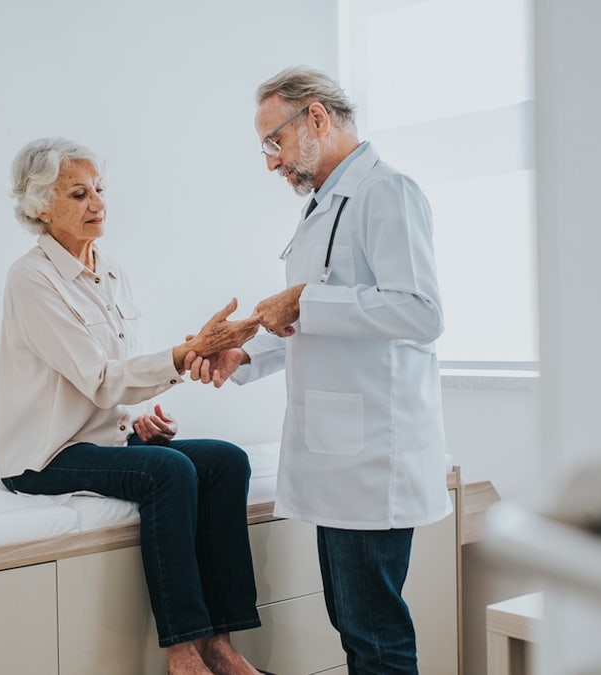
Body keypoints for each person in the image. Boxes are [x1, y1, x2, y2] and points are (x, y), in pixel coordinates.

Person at [187, 67, 451, 674]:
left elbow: (421, 312)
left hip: (371, 461)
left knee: (374, 636)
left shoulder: (388, 192)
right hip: (338, 459)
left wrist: (304, 299)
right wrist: (242, 355)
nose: (271, 162)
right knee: (355, 626)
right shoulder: (323, 207)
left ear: (316, 117)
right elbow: (315, 326)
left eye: (273, 142)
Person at [0, 137, 266, 675]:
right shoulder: (31, 279)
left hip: (106, 437)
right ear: (41, 206)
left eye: (99, 189)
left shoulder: (110, 271)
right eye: (79, 193)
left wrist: (134, 418)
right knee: (168, 472)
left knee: (226, 460)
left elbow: (111, 378)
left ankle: (222, 645)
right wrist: (185, 352)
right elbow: (98, 379)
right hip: (47, 454)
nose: (97, 203)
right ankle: (183, 653)